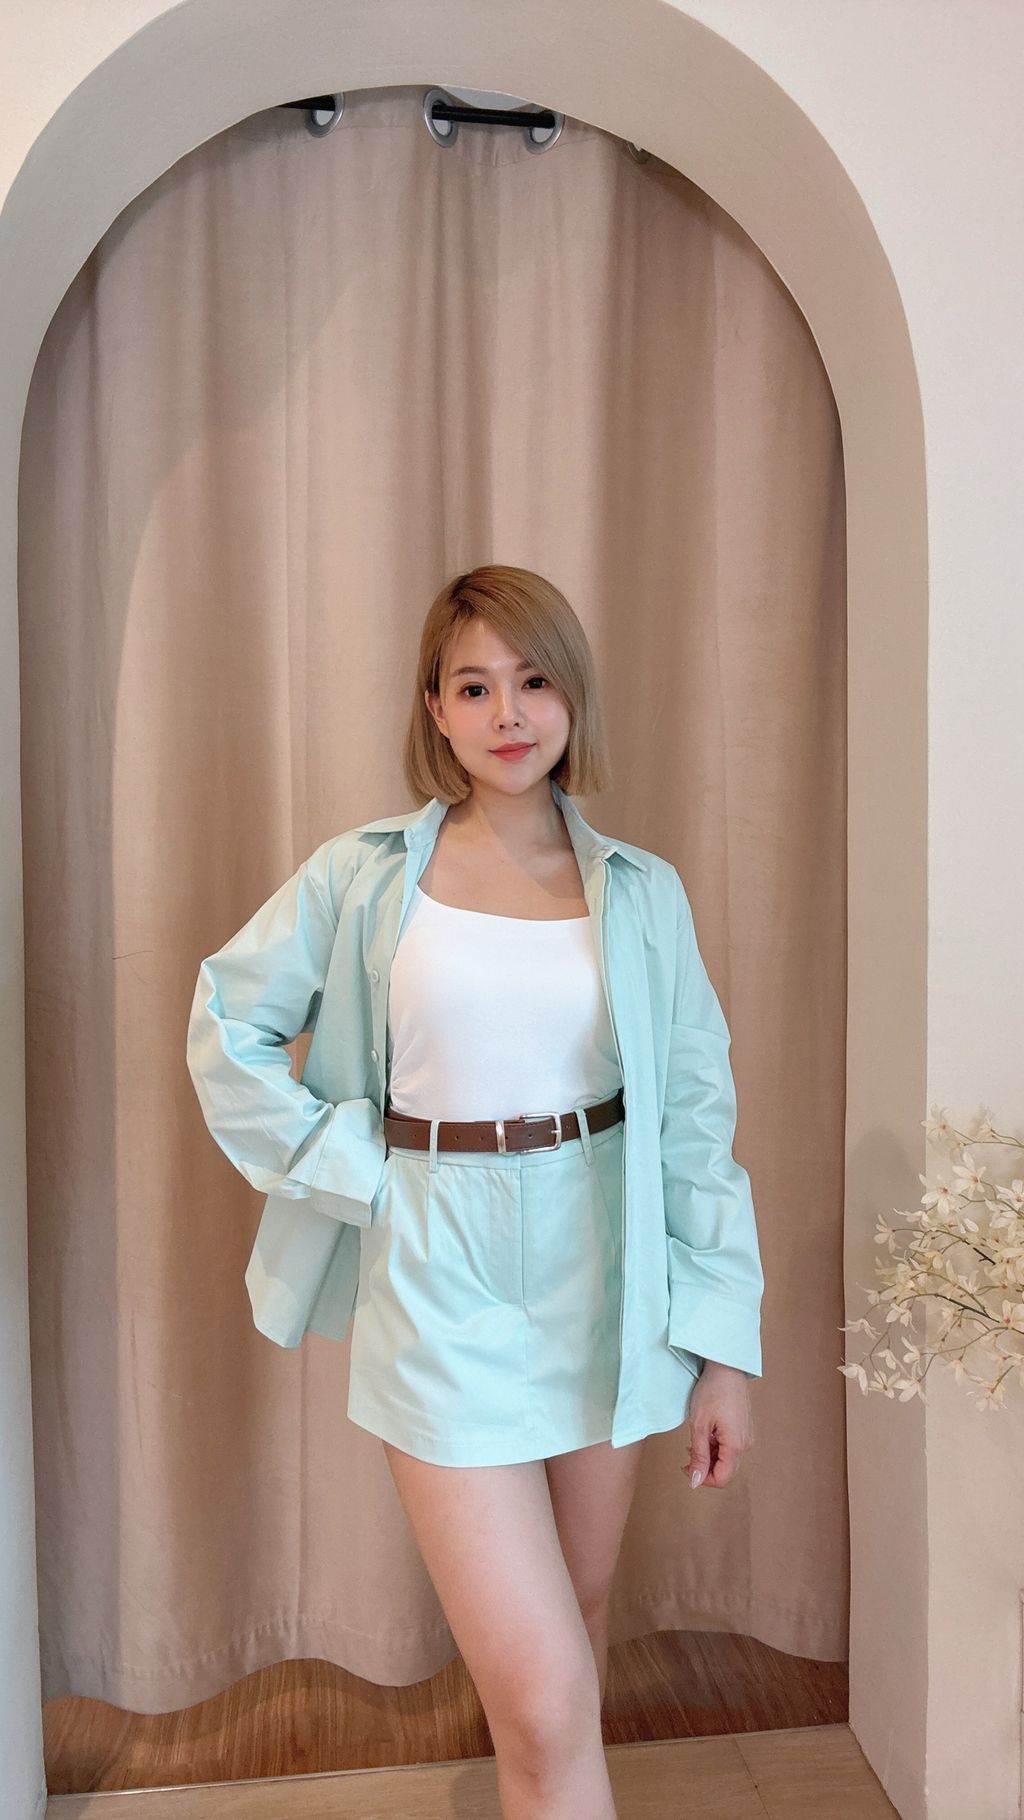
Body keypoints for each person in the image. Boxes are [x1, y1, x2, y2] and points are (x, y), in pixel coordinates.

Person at [186, 564, 764, 1819]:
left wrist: (723, 1351)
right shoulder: (362, 875)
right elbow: (227, 1021)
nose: (508, 712)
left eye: (534, 679)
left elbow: (695, 1125)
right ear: (434, 710)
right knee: (545, 1693)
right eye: (473, 686)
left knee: (575, 1638)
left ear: (571, 696)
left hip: (603, 1261)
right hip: (435, 1264)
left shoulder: (641, 892)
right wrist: (351, 1164)